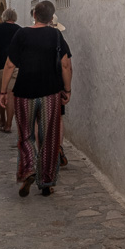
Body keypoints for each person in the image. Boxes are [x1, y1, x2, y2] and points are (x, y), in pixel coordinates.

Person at [0, 0, 72, 197]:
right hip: (50, 93)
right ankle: (47, 181)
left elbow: (9, 64)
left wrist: (4, 91)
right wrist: (67, 89)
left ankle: (29, 168)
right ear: (51, 18)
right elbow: (66, 65)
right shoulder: (56, 35)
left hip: (24, 93)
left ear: (34, 15)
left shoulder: (21, 34)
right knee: (49, 136)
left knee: (25, 134)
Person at [50, 14, 69, 167]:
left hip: (35, 86)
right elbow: (67, 66)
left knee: (38, 119)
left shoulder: (31, 36)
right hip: (55, 86)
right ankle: (58, 148)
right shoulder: (59, 40)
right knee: (58, 118)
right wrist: (67, 89)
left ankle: (42, 151)